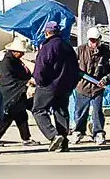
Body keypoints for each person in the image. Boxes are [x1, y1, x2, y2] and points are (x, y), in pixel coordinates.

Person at [32, 21, 80, 153]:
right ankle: (63, 143)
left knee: (39, 110)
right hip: (65, 86)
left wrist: (39, 82)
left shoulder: (47, 47)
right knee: (61, 111)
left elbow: (40, 68)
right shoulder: (67, 46)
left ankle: (54, 135)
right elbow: (76, 68)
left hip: (48, 85)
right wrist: (72, 84)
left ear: (47, 32)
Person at [73, 27, 110, 146]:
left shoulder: (106, 52)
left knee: (97, 111)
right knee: (80, 111)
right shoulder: (81, 50)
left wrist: (106, 79)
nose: (93, 43)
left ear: (100, 40)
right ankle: (78, 131)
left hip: (98, 88)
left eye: (95, 40)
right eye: (91, 40)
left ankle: (98, 132)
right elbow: (71, 65)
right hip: (82, 87)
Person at [0, 37, 38, 146]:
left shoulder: (15, 60)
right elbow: (15, 77)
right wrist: (26, 81)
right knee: (8, 117)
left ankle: (26, 138)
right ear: (15, 51)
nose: (22, 55)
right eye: (21, 52)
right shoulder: (9, 61)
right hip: (12, 93)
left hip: (17, 94)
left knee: (21, 116)